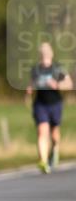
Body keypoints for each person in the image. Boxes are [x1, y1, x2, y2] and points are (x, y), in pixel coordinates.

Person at [26, 42, 73, 173]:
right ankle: (43, 161)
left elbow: (69, 84)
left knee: (54, 134)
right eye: (42, 53)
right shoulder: (36, 69)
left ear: (51, 54)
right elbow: (31, 83)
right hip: (40, 104)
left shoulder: (57, 68)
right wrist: (29, 88)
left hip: (55, 103)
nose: (44, 55)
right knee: (42, 131)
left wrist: (57, 85)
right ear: (40, 55)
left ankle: (55, 149)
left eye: (46, 52)